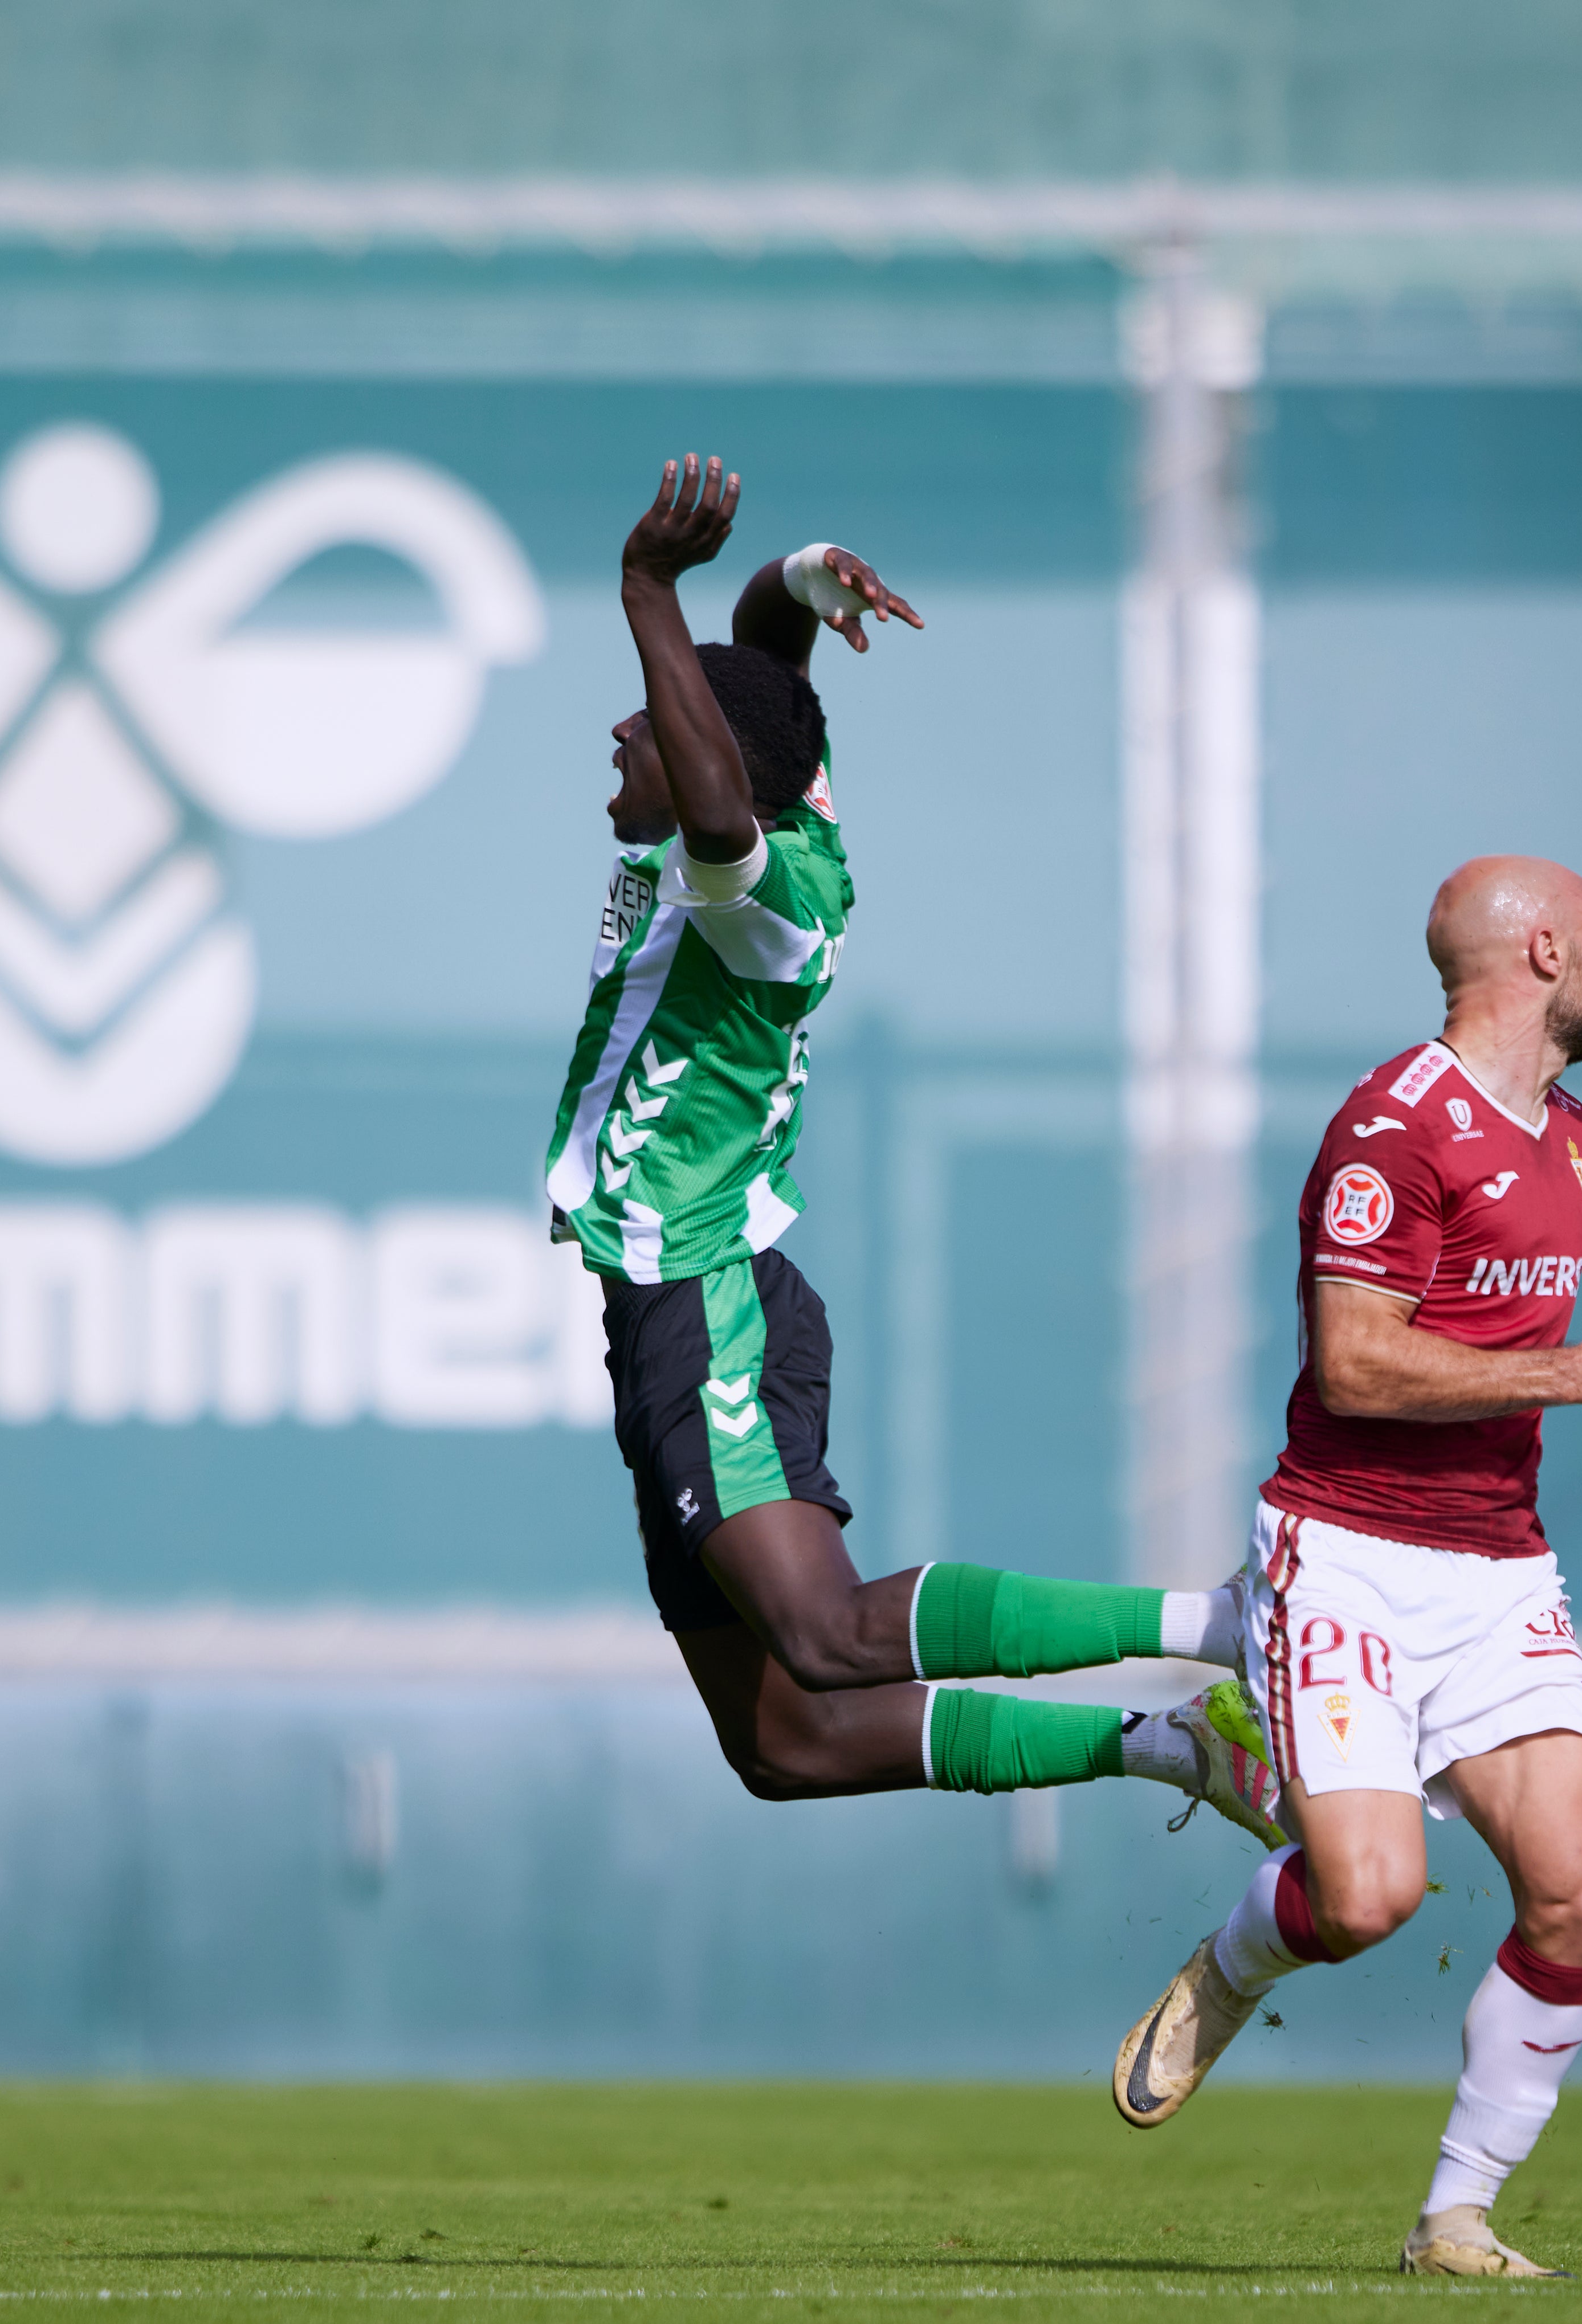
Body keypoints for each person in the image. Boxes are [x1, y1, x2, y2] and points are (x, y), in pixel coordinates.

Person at [547, 454, 1279, 1832]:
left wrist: (646, 584)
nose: (625, 730)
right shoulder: (772, 821)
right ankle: (1178, 1748)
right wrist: (797, 580)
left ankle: (1227, 1623)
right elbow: (758, 706)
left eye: (650, 717)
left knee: (823, 1639)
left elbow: (716, 784)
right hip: (665, 1310)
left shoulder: (749, 896)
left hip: (707, 1304)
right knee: (789, 1744)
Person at [1102, 855, 1582, 2279]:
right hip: (1345, 1558)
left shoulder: (1566, 1130)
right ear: (1543, 957)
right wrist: (1574, 1371)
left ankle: (1455, 2216)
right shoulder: (1393, 1129)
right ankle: (1232, 1958)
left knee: (1577, 1890)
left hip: (1496, 1568)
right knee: (1370, 1899)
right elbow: (1356, 1363)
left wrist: (1551, 1385)